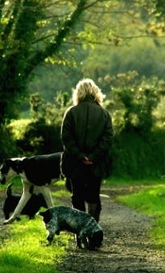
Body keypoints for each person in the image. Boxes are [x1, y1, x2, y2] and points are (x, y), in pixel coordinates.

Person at [60, 78, 113, 222]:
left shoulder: (71, 112)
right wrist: (93, 157)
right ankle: (94, 232)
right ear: (95, 92)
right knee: (94, 196)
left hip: (75, 163)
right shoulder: (104, 114)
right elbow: (107, 139)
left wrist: (80, 156)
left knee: (77, 196)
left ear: (78, 93)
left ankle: (80, 233)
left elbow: (66, 138)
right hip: (97, 164)